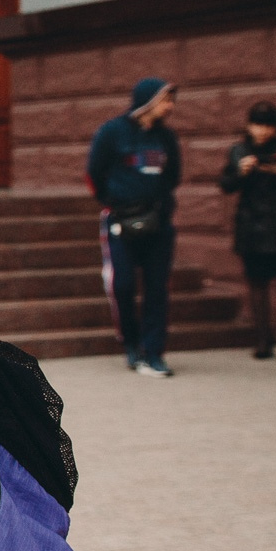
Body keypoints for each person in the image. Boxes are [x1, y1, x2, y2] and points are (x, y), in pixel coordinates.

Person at [86, 78, 183, 377]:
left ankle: (153, 352)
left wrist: (157, 204)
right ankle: (131, 344)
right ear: (149, 101)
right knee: (122, 284)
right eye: (167, 100)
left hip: (158, 223)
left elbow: (173, 176)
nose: (171, 106)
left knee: (157, 289)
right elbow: (94, 172)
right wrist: (113, 202)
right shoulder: (112, 132)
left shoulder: (166, 138)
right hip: (121, 221)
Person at [219, 100, 276, 361]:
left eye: (268, 125)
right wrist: (240, 172)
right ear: (249, 126)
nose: (263, 131)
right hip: (252, 226)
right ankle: (263, 340)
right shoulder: (239, 151)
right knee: (257, 283)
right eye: (258, 125)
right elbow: (226, 185)